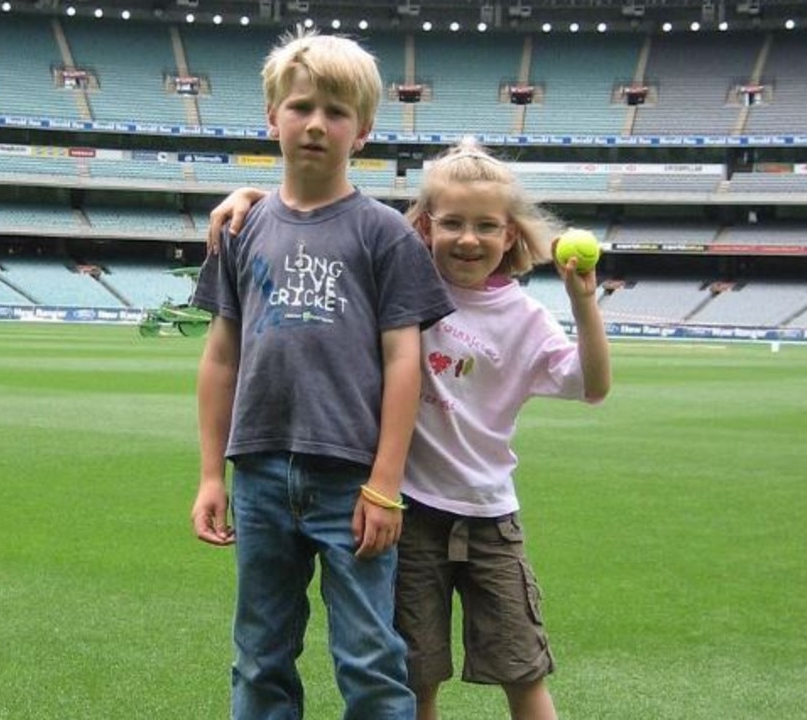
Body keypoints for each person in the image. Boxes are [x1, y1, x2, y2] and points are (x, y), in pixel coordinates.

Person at [207, 138, 612, 720]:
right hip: (408, 509)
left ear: (512, 236)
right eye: (451, 223)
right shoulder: (394, 277)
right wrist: (253, 197)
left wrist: (583, 306)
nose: (468, 239)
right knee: (413, 674)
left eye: (486, 226)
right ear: (423, 226)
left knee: (522, 669)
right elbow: (327, 223)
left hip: (490, 514)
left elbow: (592, 385)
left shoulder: (525, 318)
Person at [189, 27, 456, 720]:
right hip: (260, 475)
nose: (316, 124)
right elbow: (220, 356)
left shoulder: (384, 234)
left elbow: (405, 363)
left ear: (361, 131)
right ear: (271, 117)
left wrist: (386, 485)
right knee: (259, 654)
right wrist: (211, 474)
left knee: (369, 658)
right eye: (301, 107)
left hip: (351, 479)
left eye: (336, 113)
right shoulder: (239, 230)